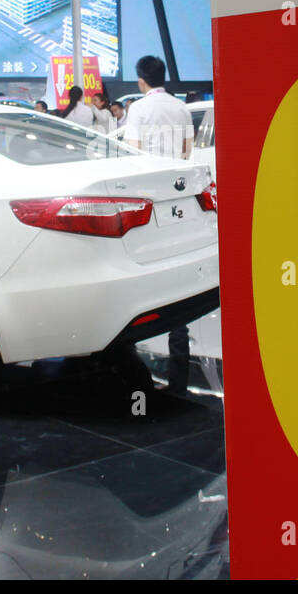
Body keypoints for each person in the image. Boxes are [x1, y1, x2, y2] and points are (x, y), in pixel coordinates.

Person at [122, 57, 196, 391]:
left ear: (141, 80)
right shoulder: (180, 108)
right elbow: (187, 151)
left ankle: (133, 342)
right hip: (177, 194)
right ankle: (179, 344)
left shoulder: (138, 109)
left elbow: (134, 153)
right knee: (177, 264)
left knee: (144, 265)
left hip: (147, 195)